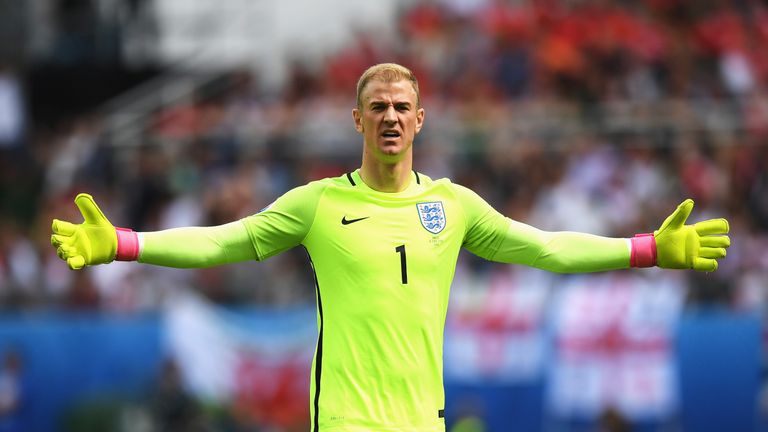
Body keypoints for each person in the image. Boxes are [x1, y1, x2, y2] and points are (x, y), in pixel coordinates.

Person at [50, 63, 730, 432]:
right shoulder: (318, 203)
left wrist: (646, 249)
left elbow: (548, 249)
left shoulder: (453, 206)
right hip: (346, 420)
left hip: (423, 420)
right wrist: (122, 243)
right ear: (357, 120)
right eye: (378, 107)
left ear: (421, 119)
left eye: (403, 107)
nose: (391, 118)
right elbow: (224, 242)